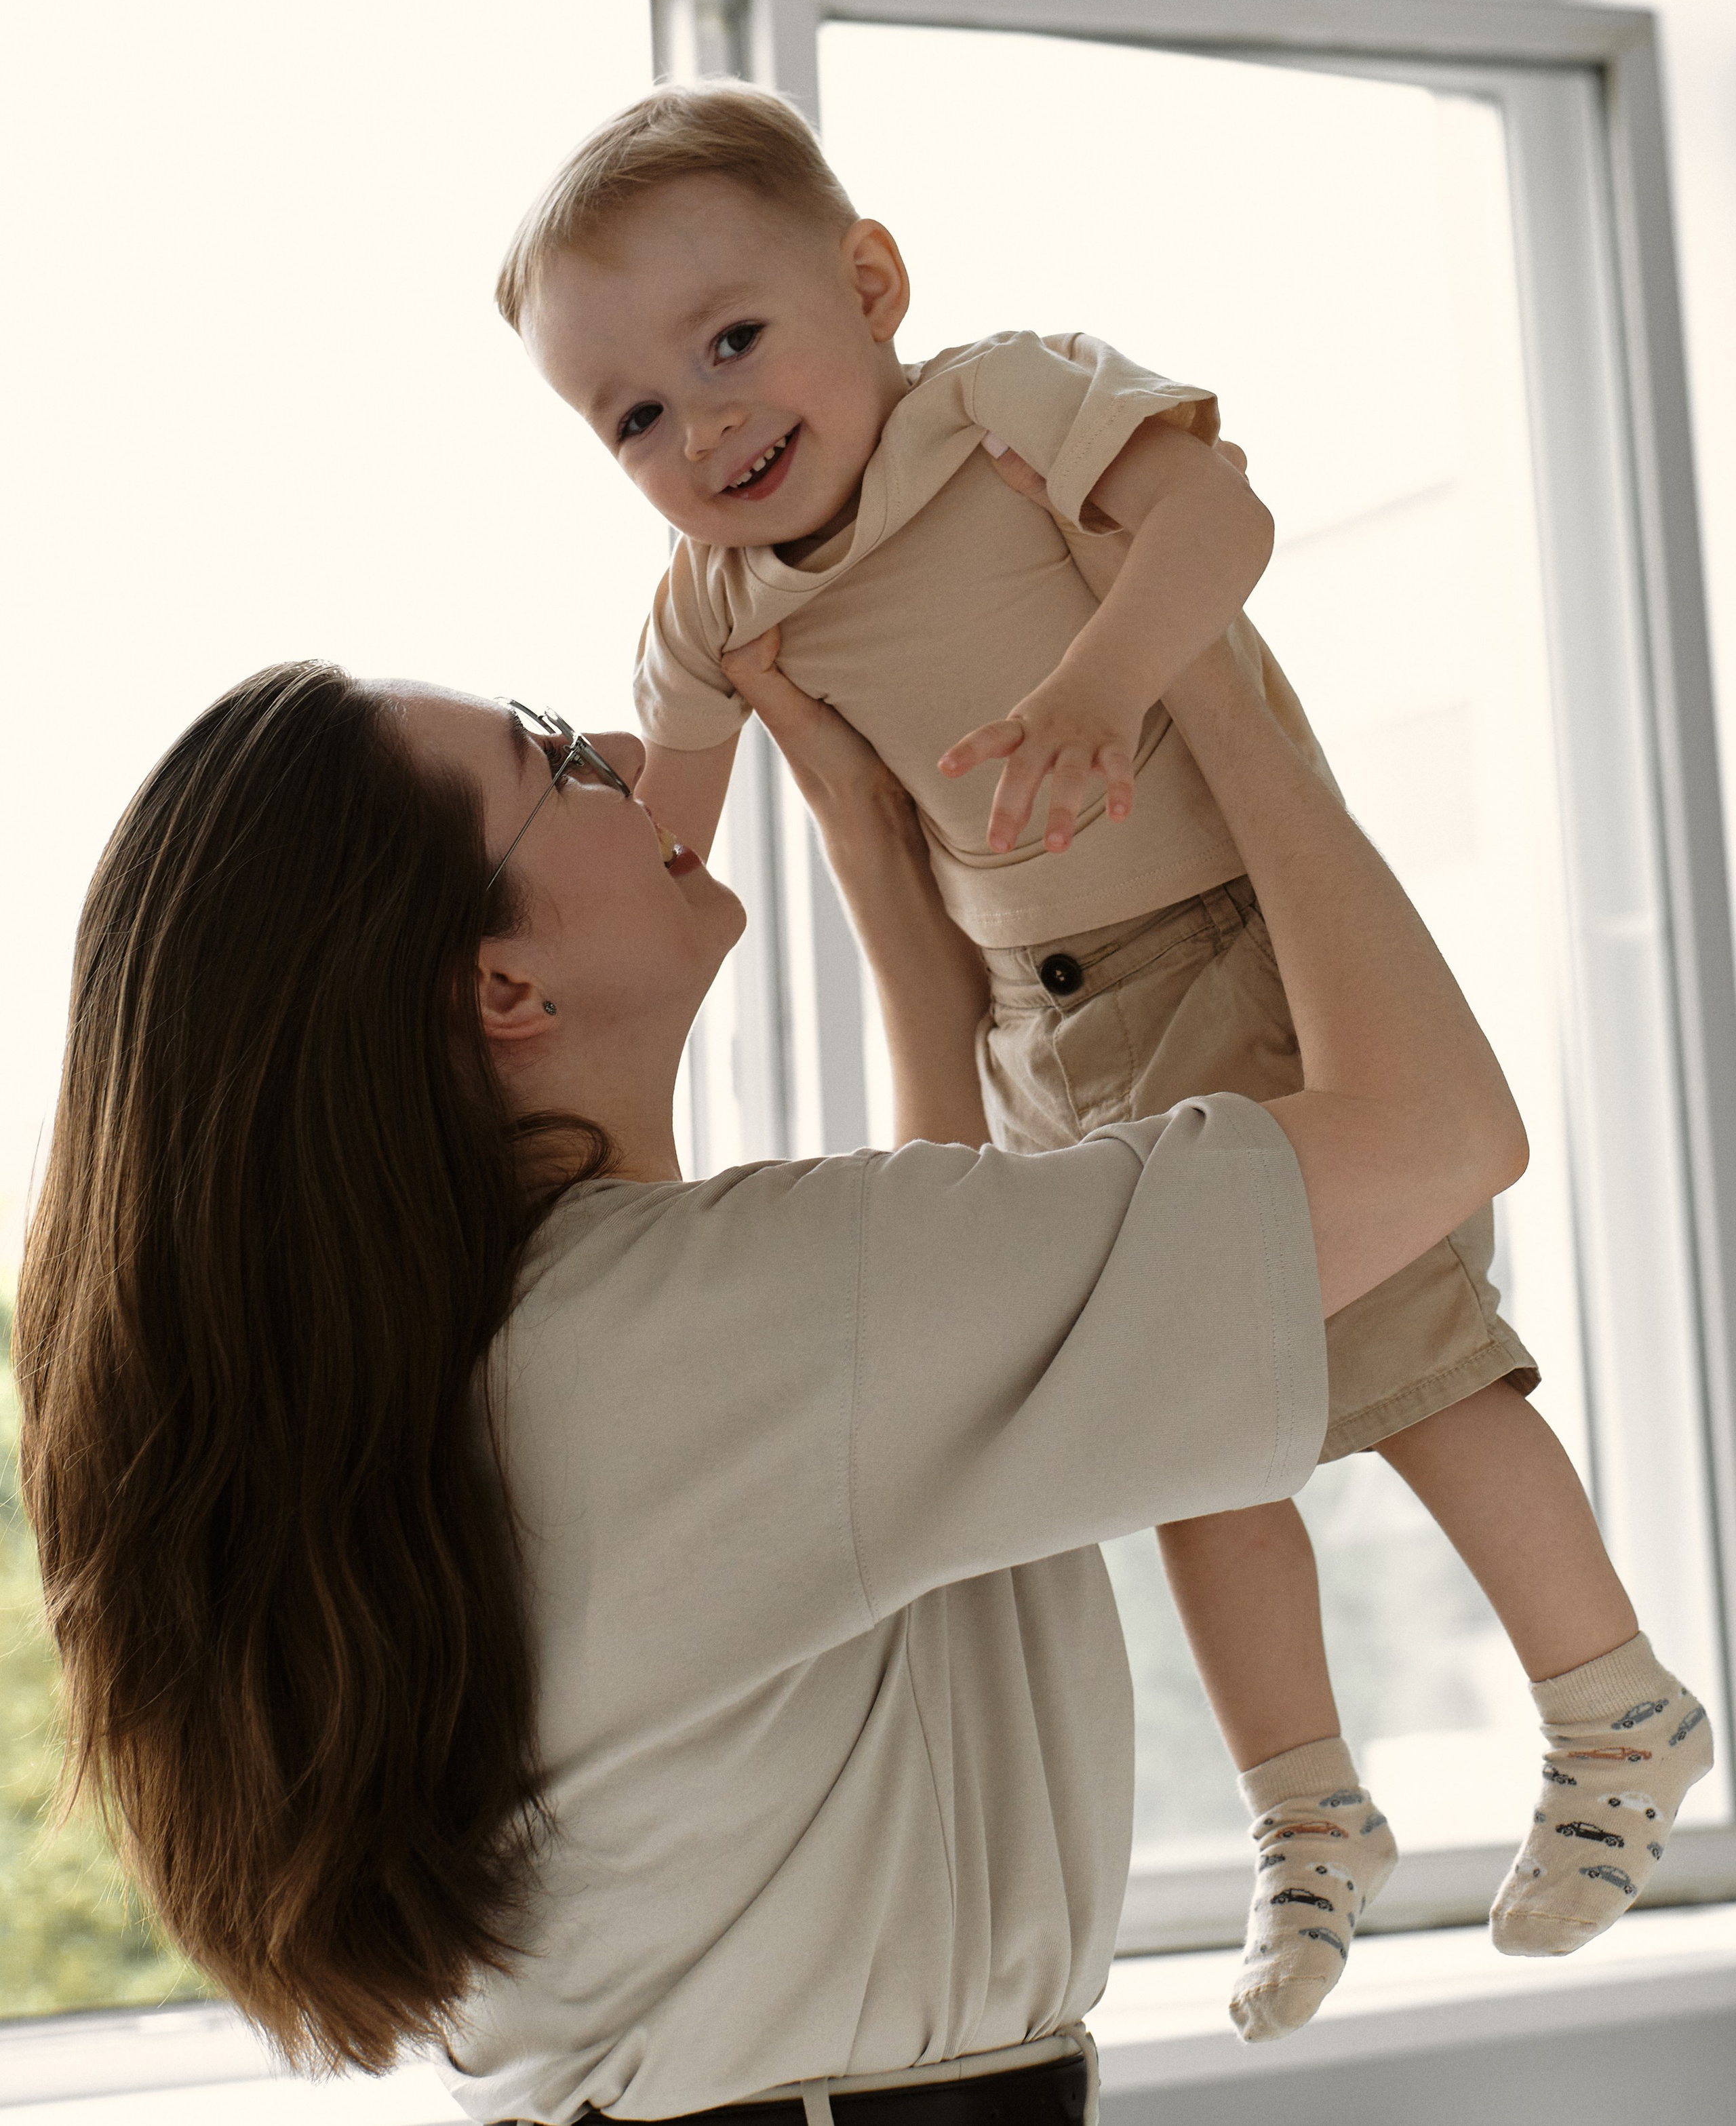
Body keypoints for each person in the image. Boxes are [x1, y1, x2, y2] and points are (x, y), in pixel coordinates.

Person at [495, 81, 1713, 2039]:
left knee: (1416, 1368)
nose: (701, 420)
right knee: (1186, 1434)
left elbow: (1219, 516)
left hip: (1232, 950)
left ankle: (1613, 1702)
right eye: (631, 412)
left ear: (872, 283)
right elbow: (652, 848)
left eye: (732, 340)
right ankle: (1307, 1813)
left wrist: (1103, 684)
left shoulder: (997, 406)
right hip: (1037, 1028)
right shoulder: (714, 607)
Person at [16, 609, 1524, 2123]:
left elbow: (907, 1352)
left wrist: (874, 849)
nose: (617, 749)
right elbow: (1436, 1135)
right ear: (501, 991)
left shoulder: (504, 1354)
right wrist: (1193, 663)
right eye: (551, 757)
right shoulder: (726, 1315)